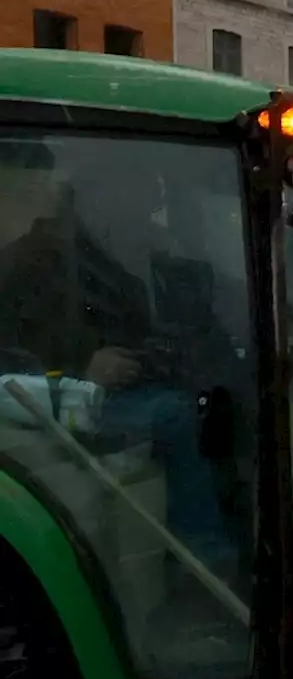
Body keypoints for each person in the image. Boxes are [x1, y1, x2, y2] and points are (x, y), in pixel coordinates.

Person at [0, 137, 241, 581]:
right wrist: (81, 373)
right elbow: (9, 365)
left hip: (114, 389)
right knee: (176, 414)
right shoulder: (24, 265)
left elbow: (143, 327)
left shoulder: (117, 262)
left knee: (222, 392)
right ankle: (206, 561)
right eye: (133, 195)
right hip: (56, 405)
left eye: (150, 199)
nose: (144, 211)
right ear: (92, 198)